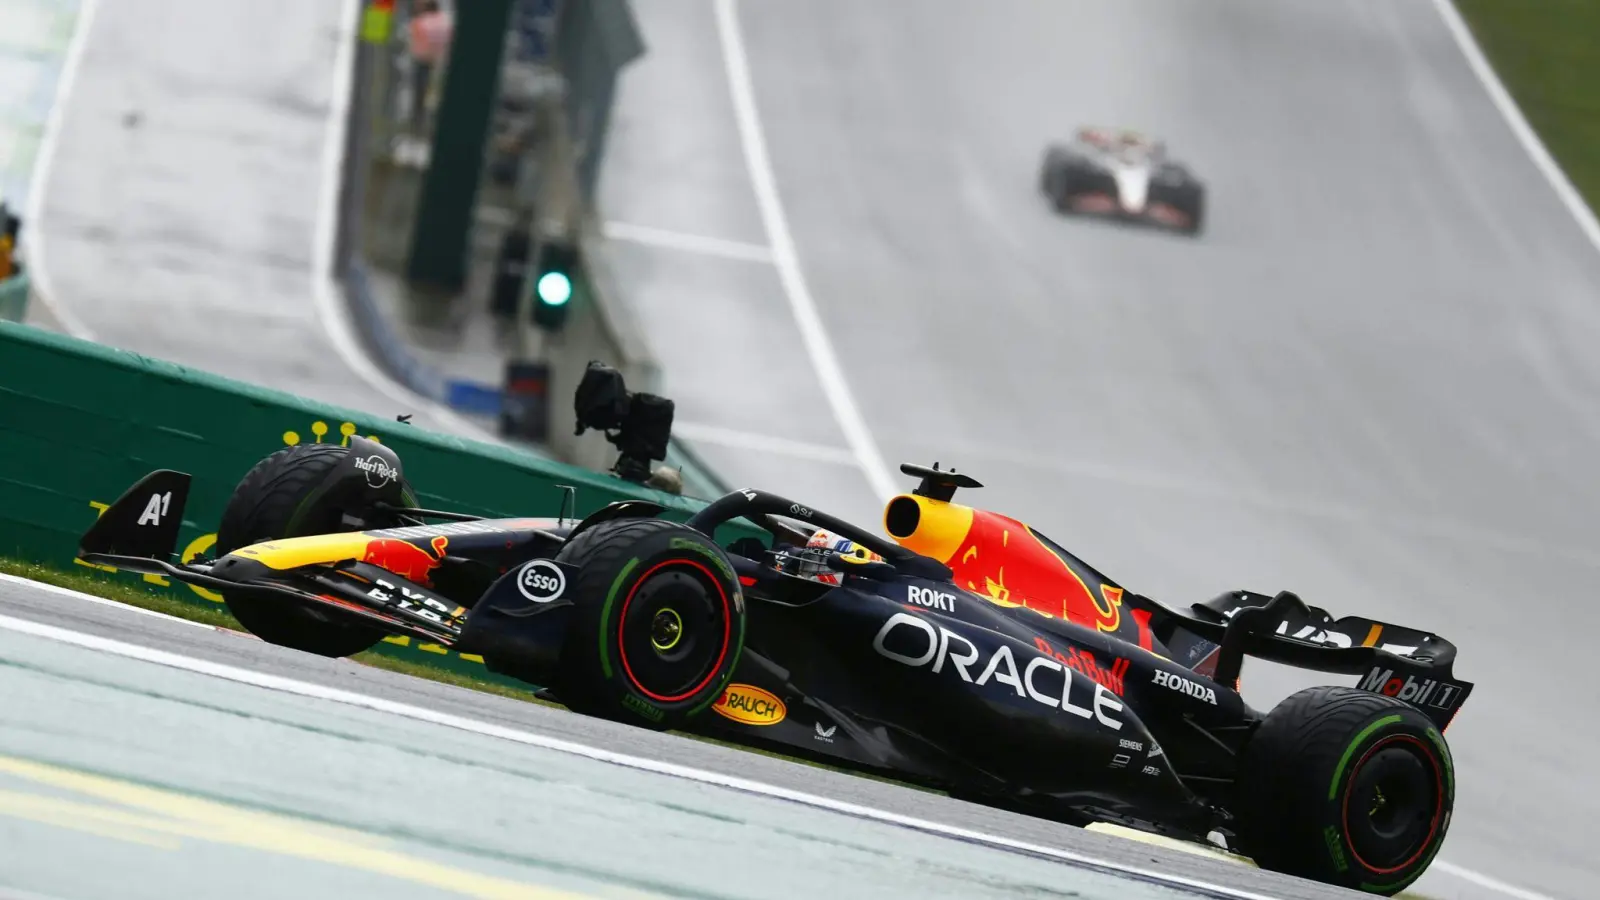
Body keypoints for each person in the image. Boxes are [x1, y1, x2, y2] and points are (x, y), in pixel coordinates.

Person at [408, 0, 454, 129]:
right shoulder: (446, 22)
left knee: (420, 95)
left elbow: (414, 43)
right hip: (442, 63)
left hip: (423, 62)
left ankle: (418, 123)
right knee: (435, 94)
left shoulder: (421, 22)